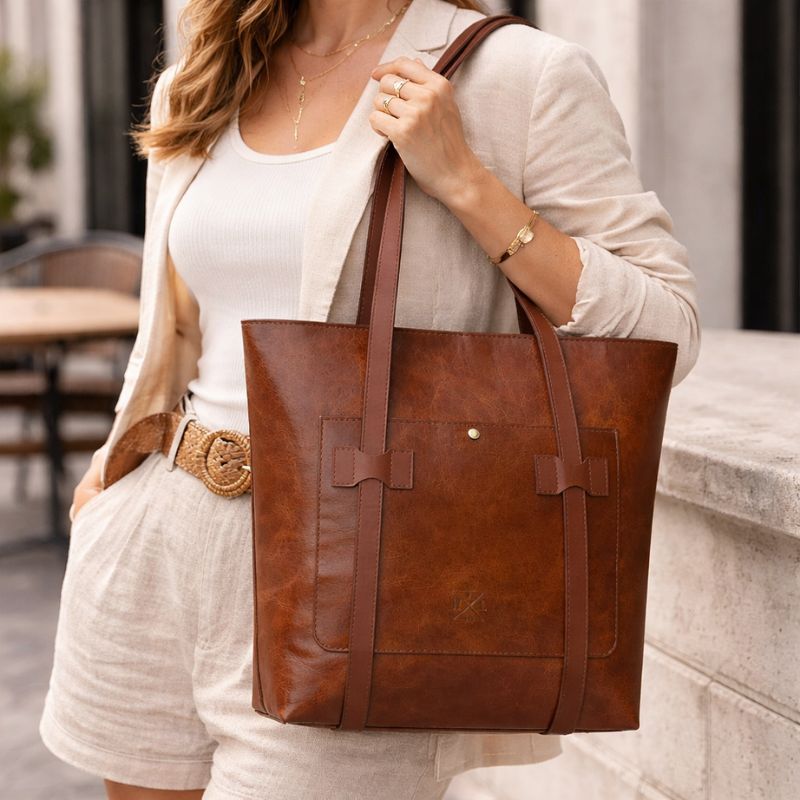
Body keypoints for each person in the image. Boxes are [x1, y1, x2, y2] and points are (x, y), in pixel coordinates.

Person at [39, 0, 701, 797]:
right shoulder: (203, 77)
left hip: (361, 566)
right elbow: (179, 326)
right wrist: (113, 475)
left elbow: (668, 326)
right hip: (160, 539)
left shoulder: (518, 76)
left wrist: (466, 182)